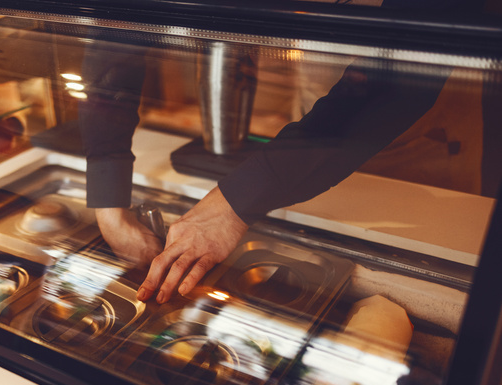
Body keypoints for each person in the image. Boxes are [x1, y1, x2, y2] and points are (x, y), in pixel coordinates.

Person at [79, 0, 498, 304]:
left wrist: (229, 206)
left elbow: (403, 68)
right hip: (323, 81)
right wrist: (109, 204)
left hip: (422, 124)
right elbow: (115, 33)